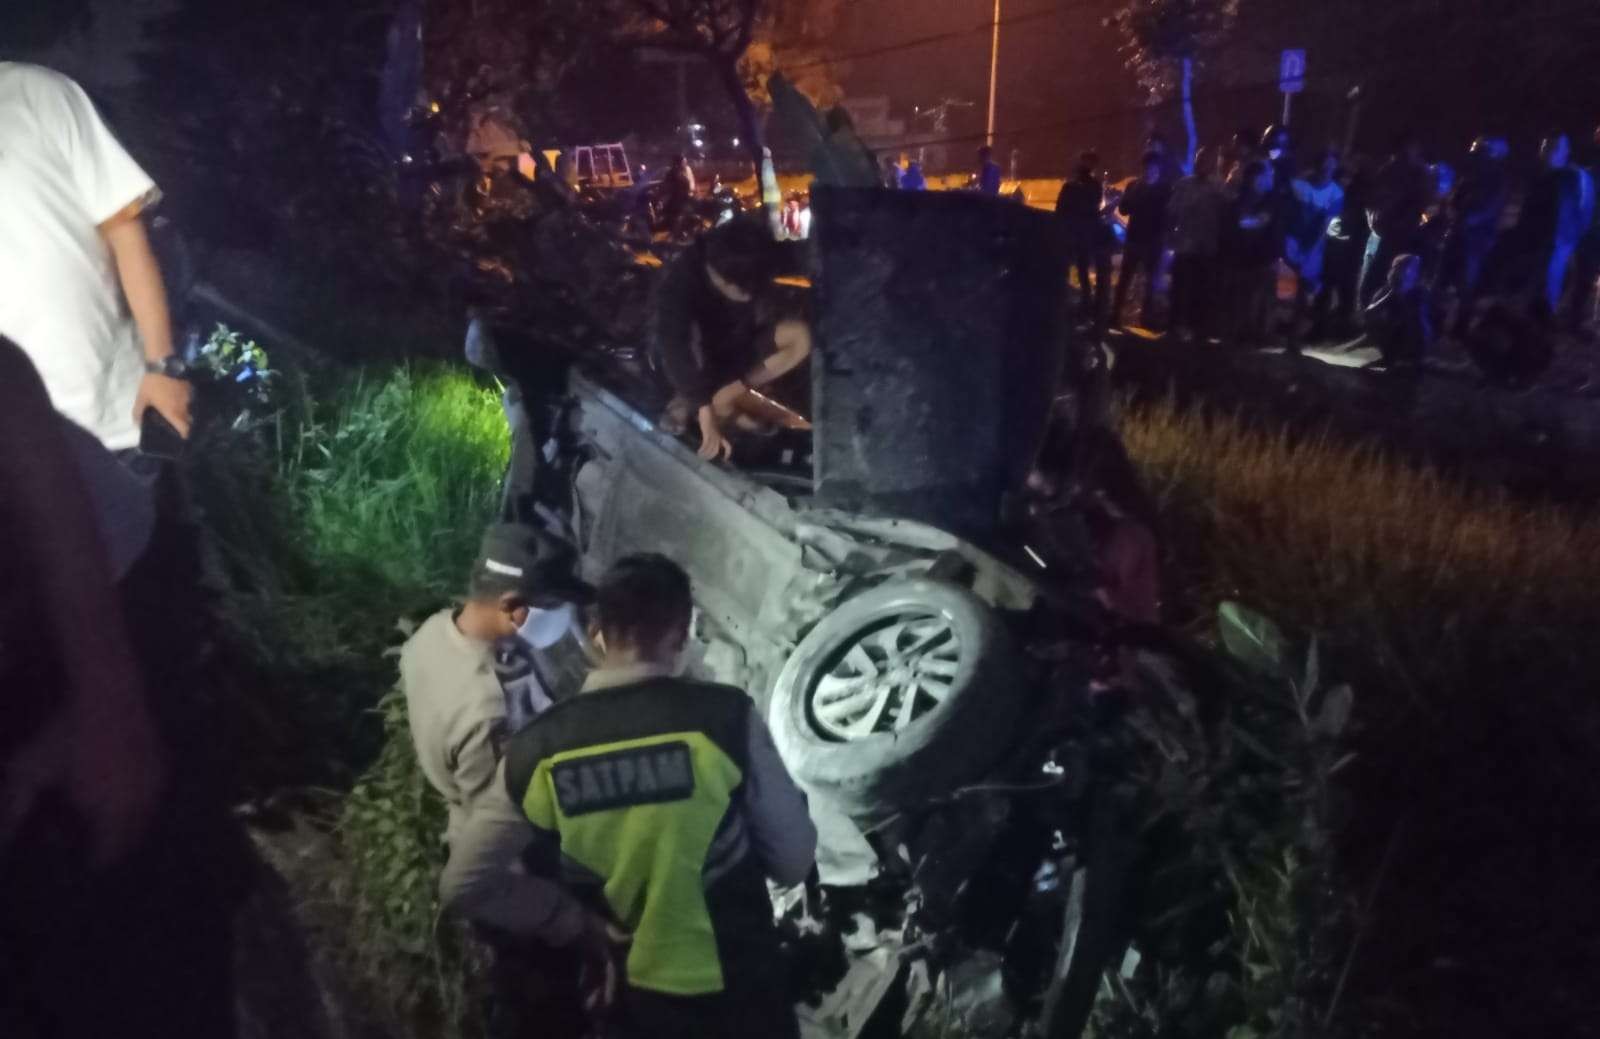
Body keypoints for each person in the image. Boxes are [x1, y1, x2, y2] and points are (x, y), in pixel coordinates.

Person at [453, 554, 818, 1039]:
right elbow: (792, 862)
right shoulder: (725, 719)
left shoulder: (538, 749)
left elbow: (464, 883)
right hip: (743, 994)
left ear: (597, 631)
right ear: (681, 636)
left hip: (633, 1004)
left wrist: (572, 923)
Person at [400, 523, 600, 1037]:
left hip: (473, 811)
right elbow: (502, 832)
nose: (563, 618)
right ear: (514, 607)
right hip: (515, 878)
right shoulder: (484, 712)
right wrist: (569, 920)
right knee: (544, 1006)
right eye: (552, 606)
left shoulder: (433, 635)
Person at [0, 62, 192, 571]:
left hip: (114, 419)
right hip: (13, 453)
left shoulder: (36, 92)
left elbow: (125, 234)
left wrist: (163, 366)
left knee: (143, 584)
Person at [653, 216, 812, 462]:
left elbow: (798, 256)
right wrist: (704, 411)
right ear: (723, 280)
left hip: (742, 348)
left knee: (799, 337)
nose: (750, 297)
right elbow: (674, 344)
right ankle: (722, 411)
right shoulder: (680, 283)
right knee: (706, 396)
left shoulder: (746, 253)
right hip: (706, 363)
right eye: (744, 291)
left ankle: (732, 393)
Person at [1436, 136, 1511, 329]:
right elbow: (1455, 198)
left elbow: (1489, 209)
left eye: (1480, 152)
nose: (1476, 156)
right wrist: (1453, 214)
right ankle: (1436, 321)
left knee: (1466, 285)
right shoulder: (1471, 175)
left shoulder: (1497, 178)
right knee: (1442, 280)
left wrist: (1465, 220)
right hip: (1458, 234)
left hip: (1476, 239)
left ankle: (1460, 326)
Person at [1359, 134, 1432, 308]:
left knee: (1389, 272)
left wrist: (1399, 222)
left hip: (1400, 232)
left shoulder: (1417, 174)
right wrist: (1375, 217)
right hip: (1385, 229)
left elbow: (1420, 203)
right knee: (1376, 269)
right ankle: (1368, 308)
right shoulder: (1390, 170)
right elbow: (1374, 197)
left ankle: (1378, 310)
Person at [1166, 145, 1228, 342]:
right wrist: (1171, 235)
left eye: (1205, 160)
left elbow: (1226, 214)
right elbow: (1171, 212)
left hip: (1207, 247)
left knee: (1202, 290)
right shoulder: (1184, 184)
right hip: (1185, 245)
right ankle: (1175, 327)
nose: (1201, 163)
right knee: (1180, 289)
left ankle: (1199, 330)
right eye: (1198, 159)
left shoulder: (1219, 187)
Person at [1284, 149, 1345, 350]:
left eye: (1331, 166)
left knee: (1304, 293)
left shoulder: (1336, 193)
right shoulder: (1298, 185)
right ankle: (1265, 331)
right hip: (1291, 242)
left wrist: (1311, 251)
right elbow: (1290, 216)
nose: (1326, 169)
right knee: (1282, 290)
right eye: (1323, 164)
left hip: (1314, 248)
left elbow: (1326, 224)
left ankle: (1293, 340)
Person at [1223, 160, 1283, 346]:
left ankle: (1259, 338)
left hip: (1264, 259)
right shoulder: (1240, 200)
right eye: (1267, 174)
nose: (1270, 178)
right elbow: (1243, 223)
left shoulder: (1272, 200)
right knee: (1243, 301)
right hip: (1244, 260)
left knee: (1261, 302)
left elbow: (1258, 222)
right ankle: (1240, 338)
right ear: (1256, 178)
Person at [1112, 151, 1174, 330]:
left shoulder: (1165, 188)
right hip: (1134, 239)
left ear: (1158, 168)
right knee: (1125, 279)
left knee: (1150, 282)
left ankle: (1145, 318)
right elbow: (1123, 209)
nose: (1149, 170)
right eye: (1147, 166)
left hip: (1154, 242)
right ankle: (1115, 315)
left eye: (1153, 167)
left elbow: (1167, 214)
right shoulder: (1133, 186)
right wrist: (1134, 196)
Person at [1056, 151, 1112, 330]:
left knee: (1080, 272)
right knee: (1073, 272)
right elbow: (1062, 210)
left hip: (1080, 236)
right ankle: (1072, 306)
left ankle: (1082, 307)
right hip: (1075, 235)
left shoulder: (1089, 186)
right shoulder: (1074, 186)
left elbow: (1065, 210)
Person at [1363, 254, 1433, 369]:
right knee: (1383, 321)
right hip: (1392, 338)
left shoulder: (1420, 292)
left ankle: (1406, 358)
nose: (1411, 273)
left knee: (1405, 323)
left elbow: (1419, 324)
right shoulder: (1387, 290)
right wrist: (1390, 295)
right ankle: (1389, 356)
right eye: (1407, 269)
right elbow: (1369, 313)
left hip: (1414, 342)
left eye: (1414, 270)